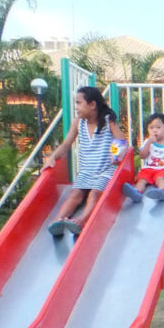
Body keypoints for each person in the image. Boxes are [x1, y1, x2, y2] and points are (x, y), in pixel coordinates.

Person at [42, 86, 127, 236]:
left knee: (94, 194)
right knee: (75, 194)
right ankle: (58, 221)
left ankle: (83, 220)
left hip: (105, 170)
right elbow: (66, 144)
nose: (76, 107)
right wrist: (53, 157)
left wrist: (115, 154)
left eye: (79, 103)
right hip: (86, 170)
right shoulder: (78, 123)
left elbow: (120, 140)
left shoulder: (108, 121)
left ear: (92, 105)